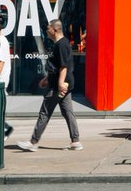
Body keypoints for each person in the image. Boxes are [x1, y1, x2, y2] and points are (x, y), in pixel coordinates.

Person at [18, 19, 83, 152]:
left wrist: (59, 84)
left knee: (45, 112)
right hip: (60, 83)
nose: (46, 31)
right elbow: (57, 66)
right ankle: (75, 141)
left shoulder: (62, 44)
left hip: (58, 86)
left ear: (55, 30)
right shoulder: (58, 44)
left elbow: (64, 66)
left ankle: (33, 142)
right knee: (68, 112)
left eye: (48, 28)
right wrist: (46, 78)